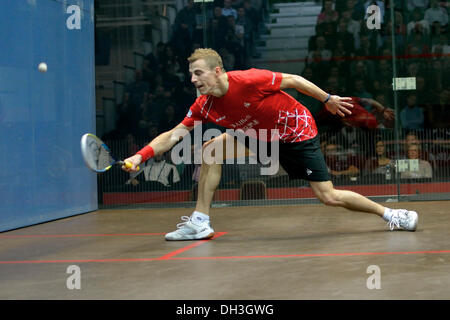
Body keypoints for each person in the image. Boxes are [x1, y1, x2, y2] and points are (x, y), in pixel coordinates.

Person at [122, 48, 419, 241]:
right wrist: (141, 155)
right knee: (211, 149)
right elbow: (174, 135)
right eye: (190, 74)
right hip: (260, 136)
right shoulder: (204, 105)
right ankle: (200, 221)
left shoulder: (248, 80)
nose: (193, 79)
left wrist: (327, 100)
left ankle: (393, 215)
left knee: (328, 196)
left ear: (217, 71)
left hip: (296, 134)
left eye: (197, 73)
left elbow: (293, 80)